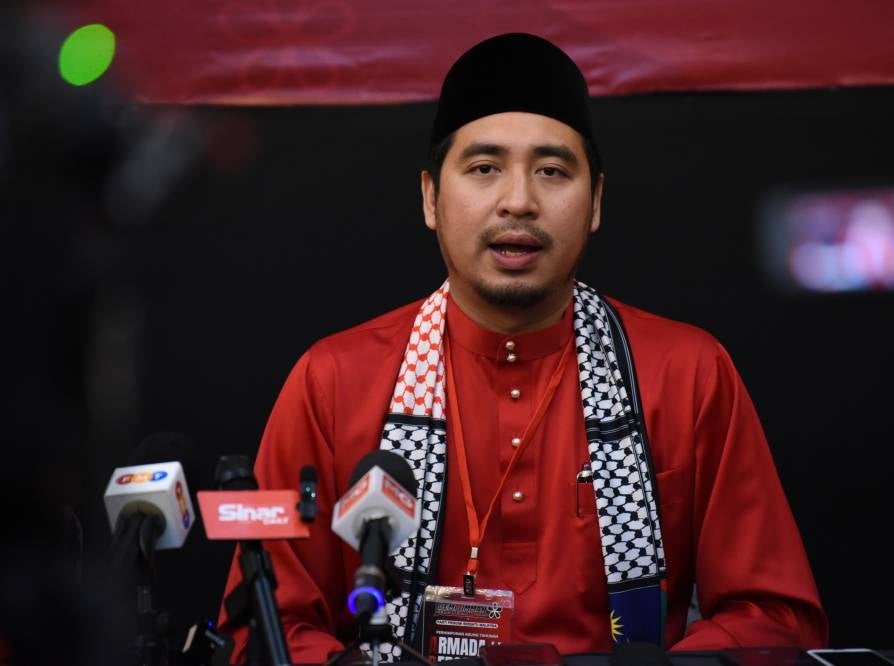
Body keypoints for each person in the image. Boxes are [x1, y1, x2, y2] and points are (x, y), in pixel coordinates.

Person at [218, 32, 828, 663]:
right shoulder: (333, 381)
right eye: (484, 169)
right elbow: (261, 627)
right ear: (431, 197)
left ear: (595, 202)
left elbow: (775, 617)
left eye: (552, 171)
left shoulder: (687, 372)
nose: (519, 201)